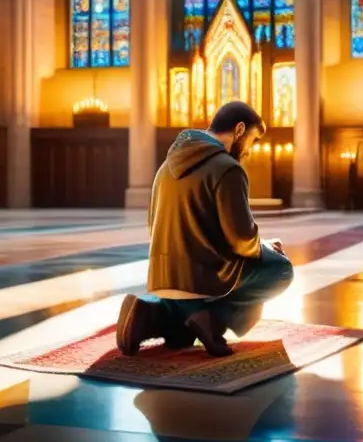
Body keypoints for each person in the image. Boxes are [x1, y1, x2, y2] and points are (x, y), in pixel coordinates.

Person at [115, 101, 294, 357]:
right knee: (281, 269)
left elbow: (152, 226)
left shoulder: (165, 167)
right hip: (203, 276)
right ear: (240, 130)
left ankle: (152, 315)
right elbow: (241, 239)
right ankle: (212, 319)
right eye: (252, 142)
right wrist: (265, 246)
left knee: (185, 327)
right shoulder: (228, 168)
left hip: (161, 274)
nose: (248, 153)